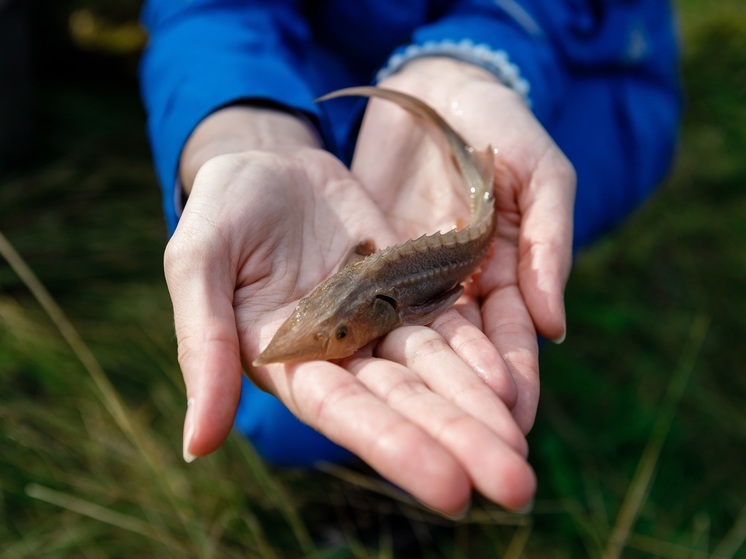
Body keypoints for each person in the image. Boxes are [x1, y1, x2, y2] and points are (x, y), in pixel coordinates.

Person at [139, 0, 680, 517]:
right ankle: (384, 482)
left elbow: (444, 292)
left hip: (588, 61)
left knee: (490, 341)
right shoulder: (359, 286)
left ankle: (423, 497)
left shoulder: (406, 293)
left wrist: (475, 59)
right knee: (277, 411)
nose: (337, 339)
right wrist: (241, 124)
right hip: (316, 73)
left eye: (345, 333)